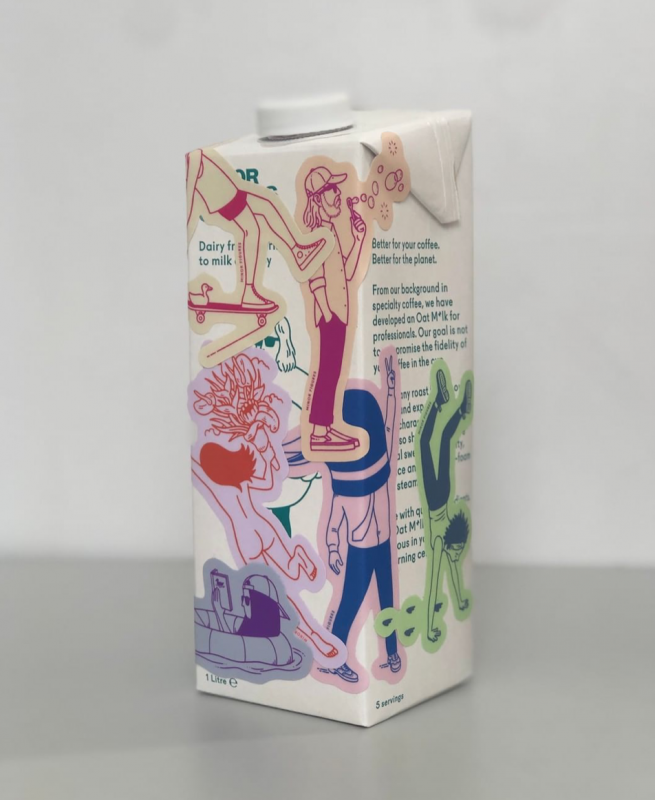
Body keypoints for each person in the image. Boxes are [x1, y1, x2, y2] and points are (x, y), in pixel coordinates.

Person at [320, 357, 401, 683]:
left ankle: (392, 653)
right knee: (350, 603)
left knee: (387, 601)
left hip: (381, 546)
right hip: (359, 550)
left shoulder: (379, 470)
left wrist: (391, 391)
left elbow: (389, 427)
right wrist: (333, 549)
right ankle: (333, 657)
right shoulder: (346, 491)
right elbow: (333, 526)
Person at [186, 148, 332, 309]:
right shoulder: (194, 158)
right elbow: (190, 189)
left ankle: (297, 253)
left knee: (266, 206)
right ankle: (249, 292)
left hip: (226, 190)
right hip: (220, 194)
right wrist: (186, 228)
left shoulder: (196, 156)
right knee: (252, 230)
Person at [300, 166, 367, 453]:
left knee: (333, 371)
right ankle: (319, 432)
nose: (338, 193)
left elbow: (348, 273)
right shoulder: (318, 235)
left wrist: (359, 238)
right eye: (330, 190)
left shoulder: (330, 232)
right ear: (317, 198)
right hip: (332, 315)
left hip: (339, 313)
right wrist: (328, 313)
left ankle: (324, 428)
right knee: (328, 372)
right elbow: (315, 278)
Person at [418, 369, 473, 643]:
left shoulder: (446, 546)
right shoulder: (444, 545)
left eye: (457, 552)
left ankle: (452, 407)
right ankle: (452, 407)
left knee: (439, 442)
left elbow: (436, 586)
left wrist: (460, 601)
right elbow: (435, 586)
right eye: (458, 551)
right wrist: (430, 628)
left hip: (439, 493)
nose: (456, 557)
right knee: (433, 442)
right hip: (436, 496)